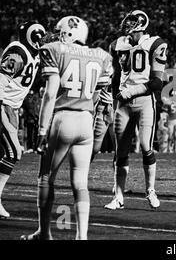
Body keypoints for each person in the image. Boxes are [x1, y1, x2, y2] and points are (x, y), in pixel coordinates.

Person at [21, 16, 112, 240]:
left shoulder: (55, 50)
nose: (56, 34)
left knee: (45, 178)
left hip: (63, 118)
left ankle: (44, 232)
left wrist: (42, 130)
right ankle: (81, 237)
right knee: (80, 183)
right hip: (85, 121)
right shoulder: (101, 56)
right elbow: (99, 95)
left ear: (67, 33)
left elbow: (51, 93)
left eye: (59, 31)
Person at [104, 10, 167, 210]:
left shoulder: (155, 44)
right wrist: (112, 101)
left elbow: (157, 81)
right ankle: (118, 196)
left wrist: (130, 92)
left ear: (140, 24)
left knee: (145, 146)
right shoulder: (117, 44)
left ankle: (150, 190)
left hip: (144, 101)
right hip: (122, 104)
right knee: (120, 151)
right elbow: (114, 78)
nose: (126, 23)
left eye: (131, 21)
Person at [0, 21, 46, 219]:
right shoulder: (18, 52)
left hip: (12, 107)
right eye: (39, 36)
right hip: (3, 105)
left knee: (7, 153)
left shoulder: (32, 54)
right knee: (13, 152)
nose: (42, 41)